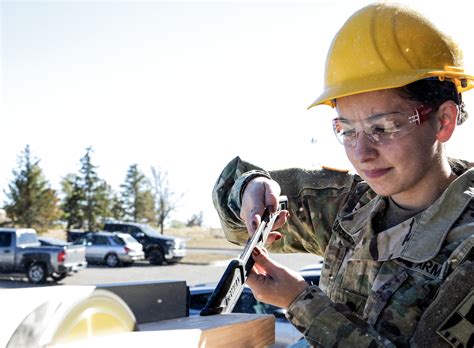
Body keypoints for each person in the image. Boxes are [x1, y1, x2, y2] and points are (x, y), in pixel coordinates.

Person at [212, 2, 474, 347]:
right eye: (347, 130)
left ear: (443, 120)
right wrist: (251, 189)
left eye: (384, 126)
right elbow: (234, 211)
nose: (362, 154)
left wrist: (301, 302)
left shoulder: (466, 247)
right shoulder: (351, 207)